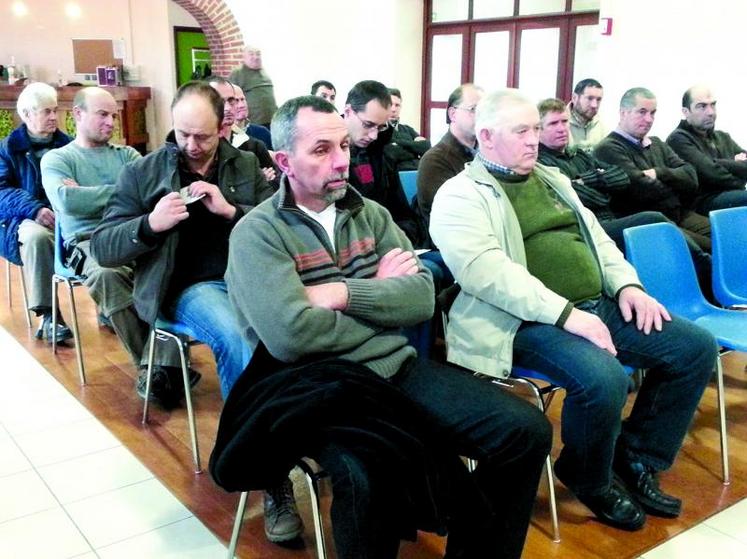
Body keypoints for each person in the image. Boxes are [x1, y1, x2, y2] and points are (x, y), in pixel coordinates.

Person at [223, 94, 552, 559]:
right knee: (366, 477)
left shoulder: (371, 216)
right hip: (317, 389)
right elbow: (291, 335)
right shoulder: (258, 233)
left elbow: (419, 300)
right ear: (283, 161)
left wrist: (341, 294)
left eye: (344, 145)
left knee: (525, 430)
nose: (341, 161)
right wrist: (379, 299)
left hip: (397, 370)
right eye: (321, 150)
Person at [430, 89, 716, 532]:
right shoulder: (459, 195)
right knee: (602, 378)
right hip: (521, 321)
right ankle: (590, 477)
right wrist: (567, 315)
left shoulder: (551, 178)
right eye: (521, 131)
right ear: (485, 136)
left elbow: (598, 239)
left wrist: (628, 285)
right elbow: (487, 274)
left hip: (594, 305)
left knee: (694, 347)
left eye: (535, 129)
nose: (533, 139)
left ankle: (635, 456)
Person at [88, 81, 301, 544]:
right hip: (184, 288)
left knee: (300, 326)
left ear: (223, 127)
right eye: (182, 134)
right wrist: (149, 224)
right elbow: (103, 246)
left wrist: (233, 211)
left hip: (246, 279)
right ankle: (270, 474)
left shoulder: (247, 163)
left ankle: (298, 431)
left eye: (202, 136)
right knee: (238, 335)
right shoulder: (145, 172)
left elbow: (284, 226)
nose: (190, 145)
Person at [41, 87, 197, 405]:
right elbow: (67, 202)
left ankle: (167, 363)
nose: (112, 121)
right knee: (107, 274)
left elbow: (154, 193)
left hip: (132, 235)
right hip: (86, 244)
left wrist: (93, 193)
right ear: (77, 115)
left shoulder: (126, 155)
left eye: (113, 115)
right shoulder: (57, 158)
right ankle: (154, 366)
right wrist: (125, 192)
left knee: (172, 263)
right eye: (103, 114)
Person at [537, 97, 715, 299]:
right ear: (538, 129)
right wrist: (597, 183)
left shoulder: (579, 155)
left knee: (709, 231)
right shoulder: (542, 165)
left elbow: (619, 178)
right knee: (653, 220)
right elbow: (576, 197)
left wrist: (582, 181)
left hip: (611, 219)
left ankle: (711, 281)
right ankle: (713, 273)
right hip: (586, 227)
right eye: (553, 123)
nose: (561, 128)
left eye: (564, 122)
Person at [0, 81, 73, 343]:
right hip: (24, 219)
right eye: (46, 111)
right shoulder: (7, 148)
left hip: (68, 215)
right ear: (27, 114)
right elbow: (1, 191)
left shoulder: (69, 146)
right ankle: (49, 315)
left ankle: (111, 305)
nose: (54, 117)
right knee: (37, 238)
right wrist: (35, 208)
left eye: (55, 110)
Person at [595, 87, 710, 251]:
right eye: (641, 112)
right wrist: (677, 183)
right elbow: (641, 189)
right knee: (715, 248)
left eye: (653, 113)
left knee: (731, 235)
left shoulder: (656, 143)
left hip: (679, 214)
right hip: (652, 224)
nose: (649, 119)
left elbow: (692, 177)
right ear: (623, 113)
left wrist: (659, 173)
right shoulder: (608, 148)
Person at [342, 80, 423, 246]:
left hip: (392, 243)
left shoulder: (378, 154)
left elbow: (402, 213)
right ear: (348, 111)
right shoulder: (329, 161)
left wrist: (401, 235)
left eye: (380, 128)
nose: (373, 136)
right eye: (368, 125)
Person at [416, 83, 483, 246]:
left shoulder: (486, 154)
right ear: (453, 114)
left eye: (485, 111)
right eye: (474, 110)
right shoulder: (435, 160)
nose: (482, 116)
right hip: (452, 243)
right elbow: (453, 214)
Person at [667, 85, 747, 213]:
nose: (711, 112)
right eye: (702, 106)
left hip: (730, 195)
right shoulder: (678, 139)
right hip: (701, 202)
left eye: (713, 105)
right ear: (686, 112)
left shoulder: (723, 137)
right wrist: (739, 175)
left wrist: (719, 163)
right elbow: (712, 175)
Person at [207, 76, 276, 183]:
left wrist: (261, 183)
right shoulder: (197, 147)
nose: (227, 108)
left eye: (231, 101)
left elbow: (275, 189)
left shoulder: (254, 147)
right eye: (219, 101)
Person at [385, 87, 431, 174]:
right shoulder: (380, 131)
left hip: (418, 175)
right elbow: (392, 154)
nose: (394, 109)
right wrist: (414, 149)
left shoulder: (407, 129)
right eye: (390, 105)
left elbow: (426, 147)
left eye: (397, 105)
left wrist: (400, 143)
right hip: (396, 178)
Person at [229, 46, 277, 128]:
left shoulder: (263, 71)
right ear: (244, 57)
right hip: (254, 124)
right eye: (251, 54)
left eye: (258, 54)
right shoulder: (237, 73)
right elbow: (230, 98)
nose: (256, 57)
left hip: (272, 121)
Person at [568, 78, 608, 151]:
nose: (594, 105)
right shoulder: (560, 124)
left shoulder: (603, 128)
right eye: (589, 98)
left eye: (598, 100)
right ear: (574, 98)